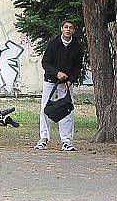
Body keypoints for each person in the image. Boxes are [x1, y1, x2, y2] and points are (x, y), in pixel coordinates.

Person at [34, 20, 83, 152]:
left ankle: (67, 141)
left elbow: (77, 67)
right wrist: (57, 73)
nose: (68, 30)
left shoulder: (77, 46)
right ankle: (44, 138)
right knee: (45, 109)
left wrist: (70, 80)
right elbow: (46, 63)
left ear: (74, 30)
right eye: (66, 27)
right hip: (51, 81)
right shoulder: (53, 43)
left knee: (67, 110)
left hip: (66, 84)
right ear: (61, 29)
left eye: (71, 28)